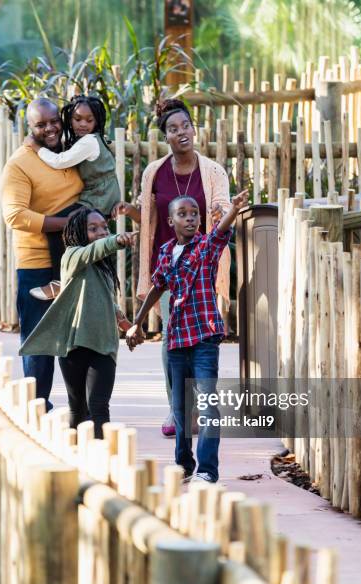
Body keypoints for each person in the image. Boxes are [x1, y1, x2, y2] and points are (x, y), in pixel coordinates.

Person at [114, 98, 231, 437]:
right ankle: (176, 409)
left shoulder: (212, 171)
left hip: (202, 267)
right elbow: (148, 215)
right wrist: (129, 212)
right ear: (166, 136)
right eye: (173, 129)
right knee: (171, 340)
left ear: (194, 129)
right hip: (170, 266)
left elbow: (222, 208)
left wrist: (223, 212)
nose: (182, 133)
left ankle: (199, 406)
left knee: (201, 338)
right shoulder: (155, 172)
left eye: (186, 127)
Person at [126, 189, 249, 483]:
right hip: (177, 340)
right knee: (180, 408)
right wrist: (137, 323)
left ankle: (207, 469)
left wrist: (233, 210)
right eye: (183, 214)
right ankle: (184, 463)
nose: (191, 219)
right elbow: (158, 285)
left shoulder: (205, 247)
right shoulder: (167, 251)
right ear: (171, 221)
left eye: (194, 214)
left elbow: (220, 233)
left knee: (206, 403)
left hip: (204, 338)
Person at [20, 208, 136, 438]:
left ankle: (105, 464)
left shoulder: (102, 268)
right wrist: (116, 240)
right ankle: (77, 462)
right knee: (78, 410)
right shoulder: (71, 257)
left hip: (103, 345)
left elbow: (109, 303)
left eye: (104, 227)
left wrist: (128, 326)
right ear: (76, 233)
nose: (101, 232)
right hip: (73, 347)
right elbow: (93, 250)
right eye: (93, 229)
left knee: (99, 407)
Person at [1, 98, 84, 410]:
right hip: (37, 261)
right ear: (29, 127)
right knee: (39, 340)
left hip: (75, 259)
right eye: (41, 124)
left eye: (54, 121)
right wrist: (71, 223)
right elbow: (15, 215)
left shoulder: (70, 154)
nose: (50, 128)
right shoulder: (19, 164)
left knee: (79, 337)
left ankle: (83, 409)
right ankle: (37, 407)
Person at [25, 94, 122, 301]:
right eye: (77, 119)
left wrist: (37, 147)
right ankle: (76, 281)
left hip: (97, 198)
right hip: (103, 196)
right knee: (78, 237)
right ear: (70, 118)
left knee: (57, 226)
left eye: (89, 120)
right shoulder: (92, 140)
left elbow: (60, 161)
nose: (83, 124)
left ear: (97, 121)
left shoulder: (88, 141)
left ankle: (58, 283)